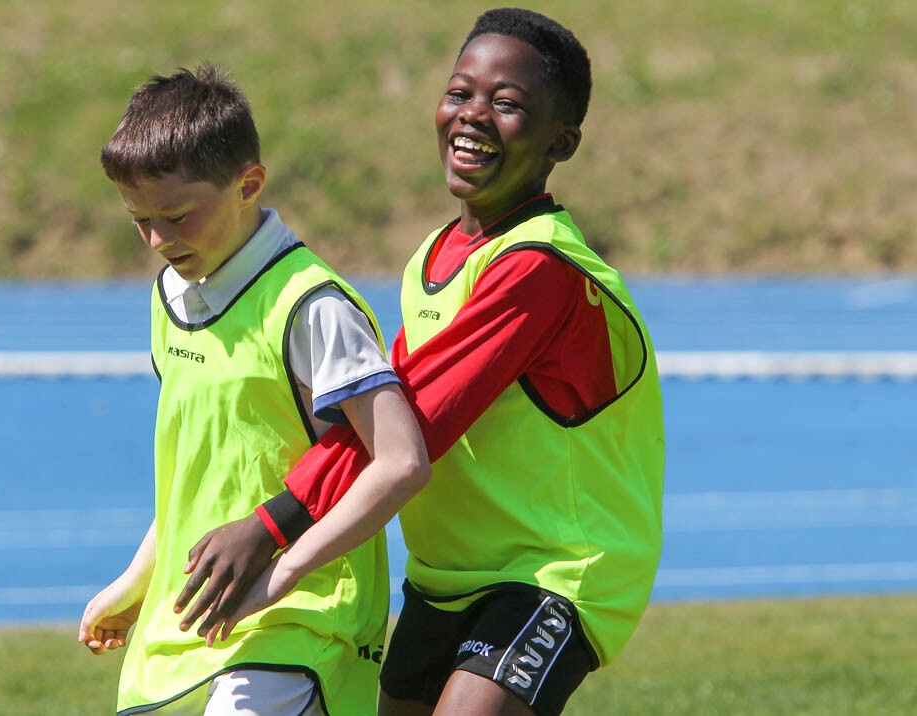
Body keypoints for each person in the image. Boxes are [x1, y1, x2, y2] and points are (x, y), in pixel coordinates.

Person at [177, 8, 665, 716]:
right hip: (445, 575)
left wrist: (275, 523)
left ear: (561, 141)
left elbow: (420, 422)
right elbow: (386, 411)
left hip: (551, 573)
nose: (473, 115)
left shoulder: (541, 268)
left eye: (507, 104)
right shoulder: (433, 256)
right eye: (460, 92)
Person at [77, 64, 430, 716]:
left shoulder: (312, 305)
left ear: (248, 185)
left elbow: (401, 462)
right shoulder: (170, 297)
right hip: (201, 614)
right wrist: (137, 579)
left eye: (177, 216)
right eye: (139, 220)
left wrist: (286, 571)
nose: (157, 240)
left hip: (301, 619)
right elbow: (199, 474)